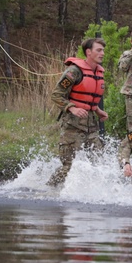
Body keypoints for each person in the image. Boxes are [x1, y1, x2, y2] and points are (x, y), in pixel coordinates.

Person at [48, 38, 109, 186]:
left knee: (98, 162)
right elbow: (56, 94)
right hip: (72, 126)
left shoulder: (98, 72)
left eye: (103, 50)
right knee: (68, 167)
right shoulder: (74, 71)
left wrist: (98, 110)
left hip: (91, 125)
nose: (102, 53)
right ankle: (50, 190)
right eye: (98, 50)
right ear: (88, 52)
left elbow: (89, 99)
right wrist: (72, 108)